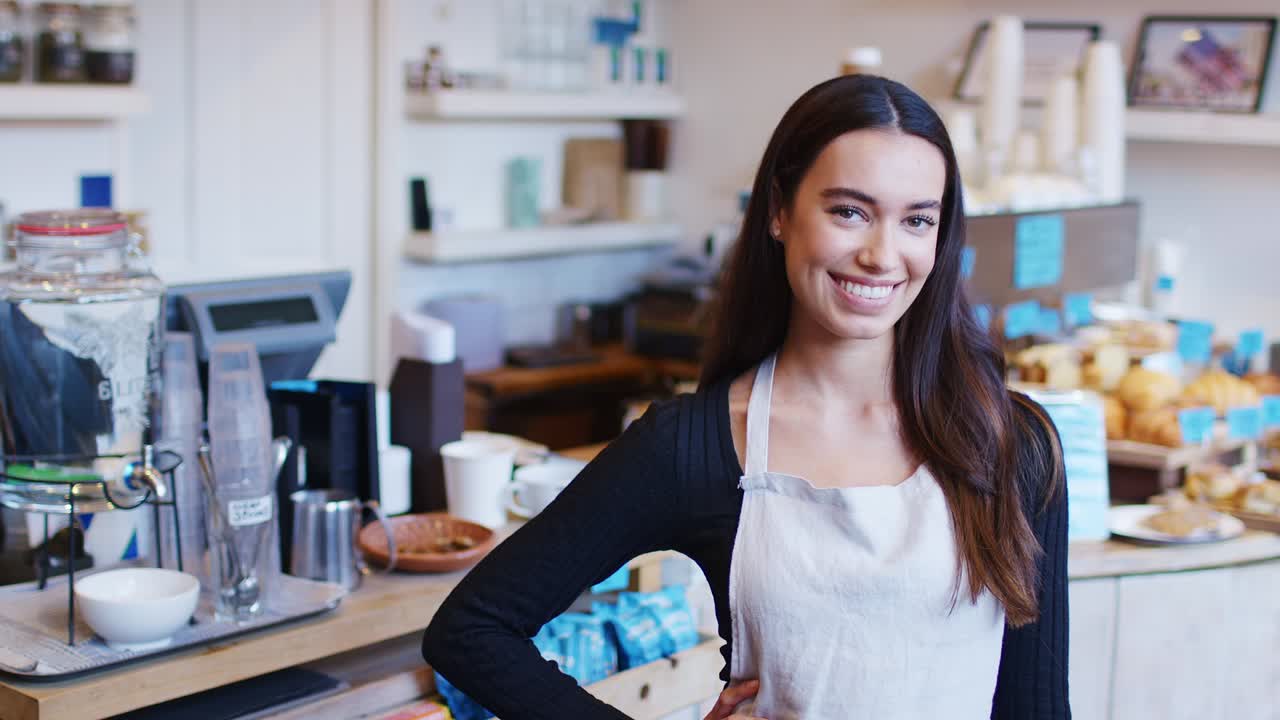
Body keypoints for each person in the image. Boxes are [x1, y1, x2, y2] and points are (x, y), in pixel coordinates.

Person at [422, 74, 1069, 720]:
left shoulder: (1011, 443)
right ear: (779, 213)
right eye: (849, 211)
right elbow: (472, 630)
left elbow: (1036, 710)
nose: (882, 254)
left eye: (916, 220)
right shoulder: (692, 446)